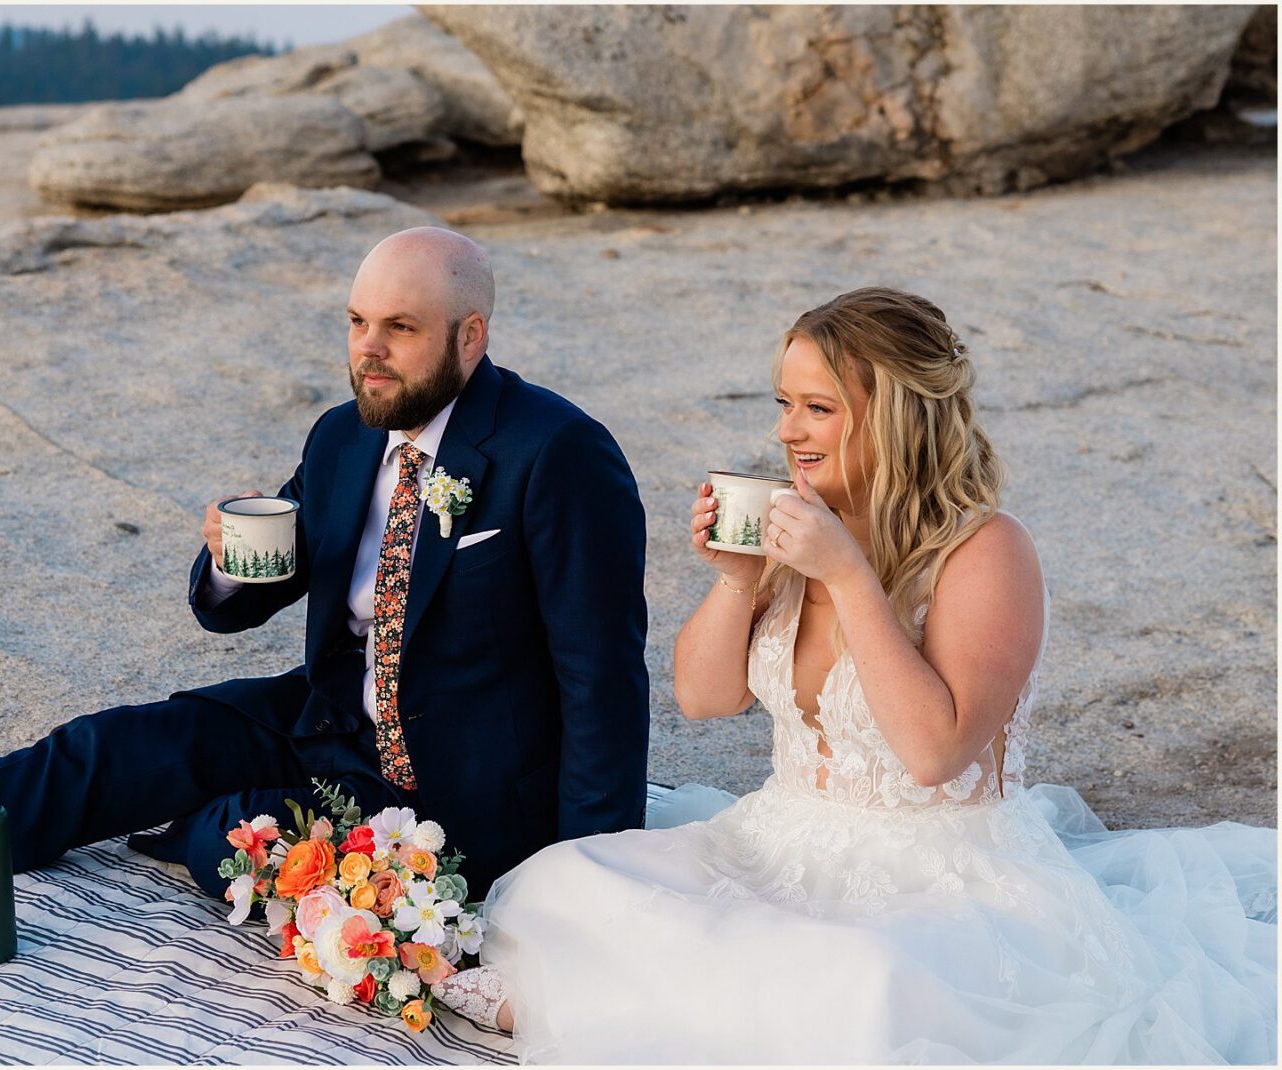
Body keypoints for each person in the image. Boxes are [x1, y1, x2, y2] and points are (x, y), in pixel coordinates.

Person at [0, 227, 651, 934]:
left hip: (455, 791)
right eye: (357, 322)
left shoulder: (558, 456)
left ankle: (189, 825)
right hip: (328, 721)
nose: (368, 349)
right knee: (111, 745)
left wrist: (583, 889)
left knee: (236, 836)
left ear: (470, 337)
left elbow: (602, 682)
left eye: (400, 327)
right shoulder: (344, 433)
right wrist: (231, 563)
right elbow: (230, 606)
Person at [431, 287, 1278, 1063]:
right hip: (780, 836)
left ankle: (620, 1006)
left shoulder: (986, 553)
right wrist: (734, 580)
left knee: (859, 977)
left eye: (818, 409)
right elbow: (703, 697)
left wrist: (848, 578)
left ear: (897, 419)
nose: (787, 432)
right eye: (785, 405)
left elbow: (934, 752)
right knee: (570, 879)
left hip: (944, 875)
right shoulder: (800, 524)